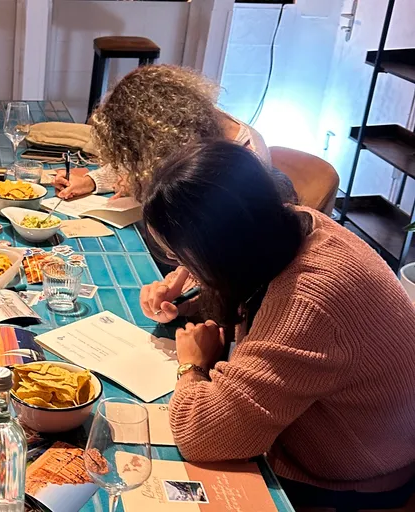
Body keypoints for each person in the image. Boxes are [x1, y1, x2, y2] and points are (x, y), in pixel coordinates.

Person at [138, 140, 415, 509]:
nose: (178, 266)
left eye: (181, 254)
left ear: (220, 251)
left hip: (357, 473)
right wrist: (194, 292)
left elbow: (202, 434)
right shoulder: (292, 222)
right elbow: (255, 288)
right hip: (363, 434)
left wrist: (193, 365)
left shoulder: (308, 303)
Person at [53, 65, 288, 202]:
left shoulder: (241, 162)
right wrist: (91, 181)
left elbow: (198, 238)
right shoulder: (190, 129)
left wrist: (144, 189)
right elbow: (138, 161)